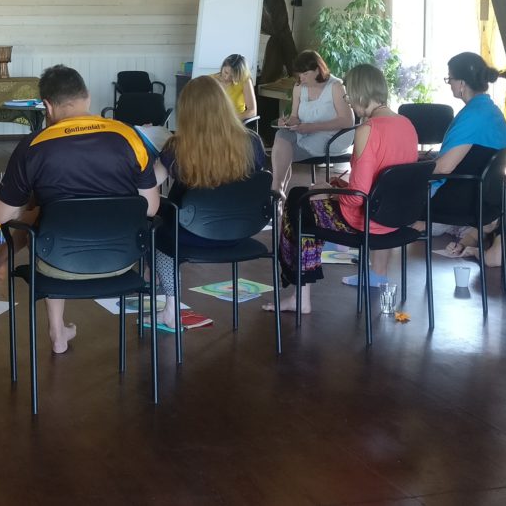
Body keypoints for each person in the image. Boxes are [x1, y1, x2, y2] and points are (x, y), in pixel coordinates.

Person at [0, 65, 160, 354]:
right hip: (123, 260)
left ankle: (56, 329)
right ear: (88, 97)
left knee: (48, 215)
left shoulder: (34, 145)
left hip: (58, 264)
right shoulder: (129, 136)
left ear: (47, 106)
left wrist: (32, 208)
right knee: (51, 214)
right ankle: (57, 330)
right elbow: (150, 207)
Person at [270, 64, 418, 303]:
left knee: (298, 200)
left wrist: (328, 193)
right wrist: (338, 186)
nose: (348, 101)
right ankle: (375, 274)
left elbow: (356, 197)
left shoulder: (367, 130)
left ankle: (300, 297)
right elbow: (384, 180)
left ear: (359, 93)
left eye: (348, 96)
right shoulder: (407, 125)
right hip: (397, 217)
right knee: (310, 195)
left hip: (366, 220)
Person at [150, 75, 267, 329]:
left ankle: (170, 307)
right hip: (241, 232)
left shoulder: (177, 147)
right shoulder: (253, 142)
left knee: (157, 232)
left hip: (191, 236)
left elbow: (150, 184)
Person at [423, 52, 506, 255]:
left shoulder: (471, 117)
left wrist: (413, 169)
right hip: (485, 197)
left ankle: (426, 224)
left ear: (462, 83)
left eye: (450, 78)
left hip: (456, 200)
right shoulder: (492, 111)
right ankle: (468, 231)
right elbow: (473, 156)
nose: (449, 83)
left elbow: (444, 168)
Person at [270, 50, 354, 194]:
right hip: (306, 130)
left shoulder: (336, 86)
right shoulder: (298, 87)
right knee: (281, 135)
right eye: (299, 74)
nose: (301, 78)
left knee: (282, 153)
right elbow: (294, 117)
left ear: (317, 70)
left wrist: (313, 127)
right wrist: (286, 123)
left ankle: (277, 190)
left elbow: (347, 121)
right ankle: (278, 188)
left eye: (305, 74)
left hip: (333, 136)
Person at [214, 53, 258, 123]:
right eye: (226, 72)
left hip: (235, 122)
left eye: (232, 76)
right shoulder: (210, 79)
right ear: (222, 67)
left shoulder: (244, 81)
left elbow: (252, 111)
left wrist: (229, 119)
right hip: (213, 121)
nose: (227, 77)